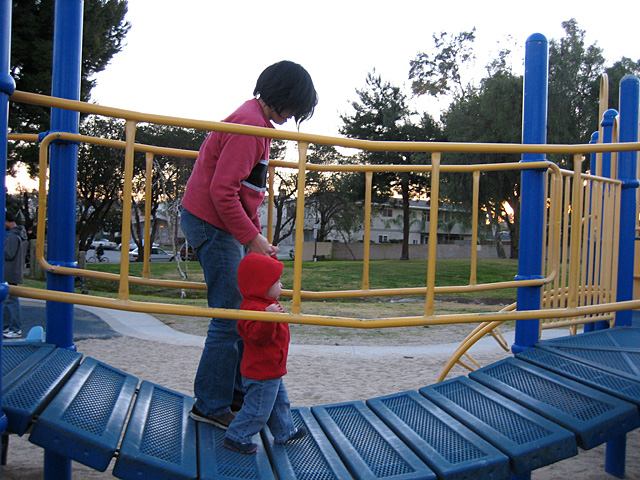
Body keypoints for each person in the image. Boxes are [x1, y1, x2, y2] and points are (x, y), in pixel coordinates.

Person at [180, 60, 318, 429]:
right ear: (285, 96)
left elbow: (246, 191)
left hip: (219, 219)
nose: (294, 116)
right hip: (211, 221)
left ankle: (237, 392)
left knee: (244, 311)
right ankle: (210, 405)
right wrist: (250, 238)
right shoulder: (250, 127)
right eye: (297, 107)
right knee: (228, 317)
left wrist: (257, 235)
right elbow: (221, 192)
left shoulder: (257, 122)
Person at [223, 253, 305, 454]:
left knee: (279, 403)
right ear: (261, 285)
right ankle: (236, 436)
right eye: (277, 282)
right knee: (258, 409)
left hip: (273, 367)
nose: (281, 286)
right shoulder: (254, 309)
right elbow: (257, 338)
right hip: (261, 372)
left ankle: (284, 431)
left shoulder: (265, 304)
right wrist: (268, 319)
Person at [3, 212, 27, 339]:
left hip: (10, 272)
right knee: (8, 301)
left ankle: (15, 328)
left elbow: (8, 254)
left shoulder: (12, 236)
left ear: (7, 221)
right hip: (13, 271)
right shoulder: (20, 234)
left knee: (11, 301)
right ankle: (7, 326)